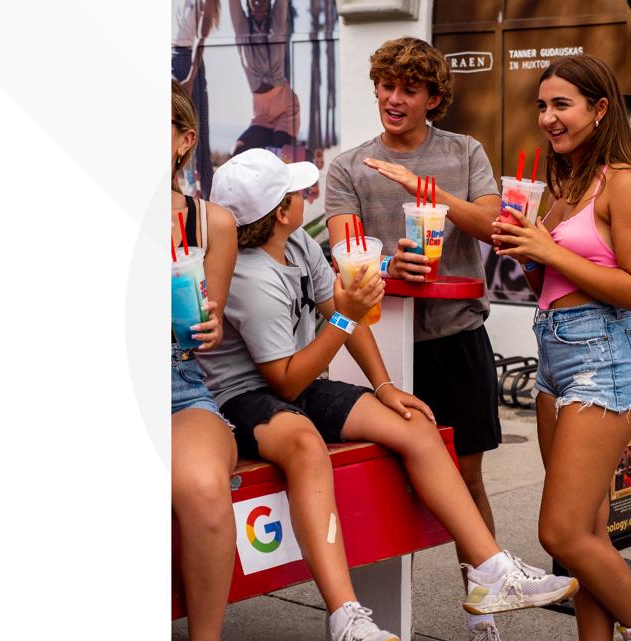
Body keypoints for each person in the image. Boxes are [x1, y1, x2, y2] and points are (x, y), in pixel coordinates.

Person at [200, 148, 578, 641]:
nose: (304, 197)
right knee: (304, 443)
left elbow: (340, 308)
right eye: (296, 192)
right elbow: (287, 379)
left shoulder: (297, 247)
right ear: (278, 211)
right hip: (244, 397)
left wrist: (384, 386)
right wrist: (346, 314)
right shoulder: (250, 275)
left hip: (296, 380)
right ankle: (346, 617)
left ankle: (490, 569)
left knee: (414, 422)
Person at [323, 37, 507, 640]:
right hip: (376, 350)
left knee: (468, 478)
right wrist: (384, 273)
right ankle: (367, 616)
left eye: (409, 88)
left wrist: (424, 191)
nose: (393, 98)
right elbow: (345, 257)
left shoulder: (464, 151)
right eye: (386, 85)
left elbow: (493, 226)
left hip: (457, 339)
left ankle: (482, 608)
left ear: (433, 97)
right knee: (370, 483)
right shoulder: (348, 166)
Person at [491, 54, 631, 641]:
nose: (548, 117)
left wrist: (550, 251)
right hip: (555, 360)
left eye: (561, 104)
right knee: (589, 532)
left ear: (599, 108)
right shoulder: (561, 187)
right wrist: (527, 257)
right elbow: (553, 284)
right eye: (542, 105)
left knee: (560, 535)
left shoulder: (627, 183)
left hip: (604, 362)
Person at [170, 78, 241, 641]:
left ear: (183, 139)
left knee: (204, 488)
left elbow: (204, 335)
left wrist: (209, 325)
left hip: (178, 383)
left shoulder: (211, 223)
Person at [228, 0, 301, 155]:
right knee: (238, 150)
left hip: (285, 107)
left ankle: (306, 160)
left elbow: (281, 4)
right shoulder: (242, 27)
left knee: (278, 155)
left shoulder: (277, 23)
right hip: (261, 113)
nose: (257, 2)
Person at [172, 0, 220, 198]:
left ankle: (202, 197)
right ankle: (194, 192)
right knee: (185, 134)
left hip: (186, 60)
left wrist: (190, 77)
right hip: (177, 56)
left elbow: (201, 37)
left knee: (194, 135)